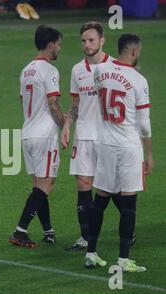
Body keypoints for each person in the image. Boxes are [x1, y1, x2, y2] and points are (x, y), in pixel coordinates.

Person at [85, 33, 153, 272]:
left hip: (104, 144)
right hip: (128, 146)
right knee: (128, 203)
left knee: (101, 199)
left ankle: (91, 253)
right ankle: (123, 260)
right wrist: (150, 154)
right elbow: (144, 125)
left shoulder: (100, 70)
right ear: (134, 52)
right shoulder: (139, 80)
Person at [62, 22, 118, 251]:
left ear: (102, 40)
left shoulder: (116, 67)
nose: (87, 44)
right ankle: (86, 237)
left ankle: (128, 226)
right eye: (83, 40)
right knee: (83, 184)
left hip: (108, 136)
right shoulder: (77, 70)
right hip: (84, 135)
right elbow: (76, 104)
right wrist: (66, 125)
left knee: (114, 186)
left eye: (91, 40)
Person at [9, 25, 64, 248]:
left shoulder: (26, 70)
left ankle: (48, 231)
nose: (60, 48)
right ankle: (19, 231)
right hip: (45, 135)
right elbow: (53, 103)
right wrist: (65, 124)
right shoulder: (50, 71)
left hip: (28, 132)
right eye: (59, 44)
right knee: (47, 184)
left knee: (38, 185)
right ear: (50, 45)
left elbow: (23, 101)